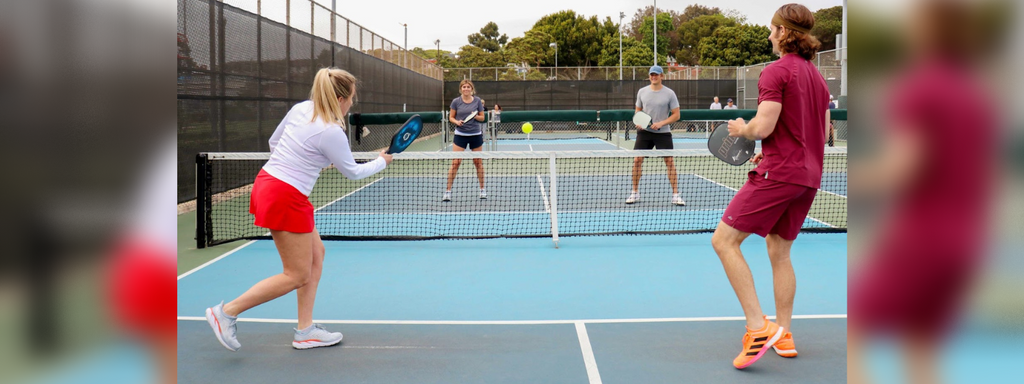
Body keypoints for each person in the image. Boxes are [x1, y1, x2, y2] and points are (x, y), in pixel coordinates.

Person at [205, 68, 392, 351]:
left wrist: (306, 160)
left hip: (270, 183)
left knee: (317, 255)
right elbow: (352, 172)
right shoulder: (331, 131)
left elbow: (274, 143)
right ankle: (226, 312)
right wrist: (382, 161)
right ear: (340, 98)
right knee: (296, 274)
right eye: (352, 98)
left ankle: (305, 331)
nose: (353, 103)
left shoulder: (301, 109)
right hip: (284, 196)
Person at [712, 3, 830, 369]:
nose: (768, 34)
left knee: (724, 241)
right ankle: (785, 331)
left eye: (771, 28)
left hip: (781, 174)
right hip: (808, 177)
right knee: (780, 253)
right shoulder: (818, 78)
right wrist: (773, 151)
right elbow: (823, 133)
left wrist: (740, 130)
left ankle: (758, 327)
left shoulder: (774, 72)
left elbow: (761, 127)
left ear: (783, 32)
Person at [627, 65, 685, 206]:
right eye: (652, 74)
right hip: (644, 133)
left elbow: (676, 115)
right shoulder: (642, 92)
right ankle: (635, 193)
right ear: (649, 76)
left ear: (662, 76)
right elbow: (638, 111)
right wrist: (639, 122)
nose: (654, 77)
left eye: (657, 74)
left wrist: (661, 123)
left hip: (663, 132)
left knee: (670, 162)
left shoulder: (670, 94)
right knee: (637, 161)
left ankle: (675, 195)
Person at [444, 79, 486, 201]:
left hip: (475, 135)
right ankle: (448, 191)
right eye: (464, 87)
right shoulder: (456, 102)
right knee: (455, 163)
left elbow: (482, 118)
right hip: (460, 134)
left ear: (471, 89)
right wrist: (457, 121)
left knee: (478, 162)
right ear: (461, 89)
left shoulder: (477, 101)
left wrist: (475, 116)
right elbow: (451, 117)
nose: (466, 89)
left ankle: (482, 189)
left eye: (468, 87)